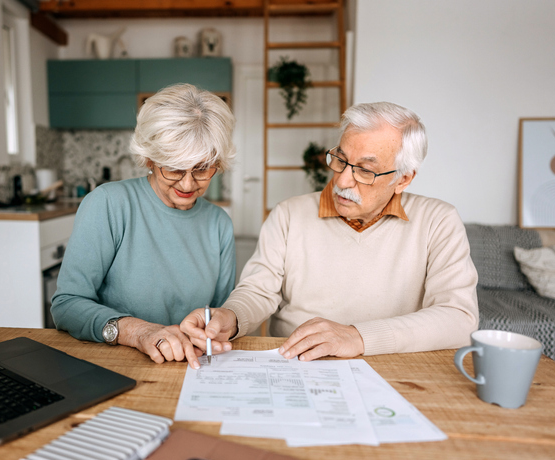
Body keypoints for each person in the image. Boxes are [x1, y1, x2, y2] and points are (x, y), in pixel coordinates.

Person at [181, 101, 478, 368]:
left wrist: (357, 337)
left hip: (394, 368)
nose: (343, 179)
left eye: (365, 170)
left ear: (404, 178)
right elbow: (258, 291)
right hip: (296, 364)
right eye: (341, 160)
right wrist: (230, 318)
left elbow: (459, 318)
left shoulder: (439, 221)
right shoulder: (288, 214)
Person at [52, 83, 237, 364]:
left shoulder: (219, 224)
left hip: (190, 365)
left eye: (201, 169)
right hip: (114, 362)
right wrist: (139, 332)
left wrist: (215, 330)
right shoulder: (107, 204)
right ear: (150, 158)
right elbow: (66, 305)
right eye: (174, 167)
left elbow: (220, 314)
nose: (188, 184)